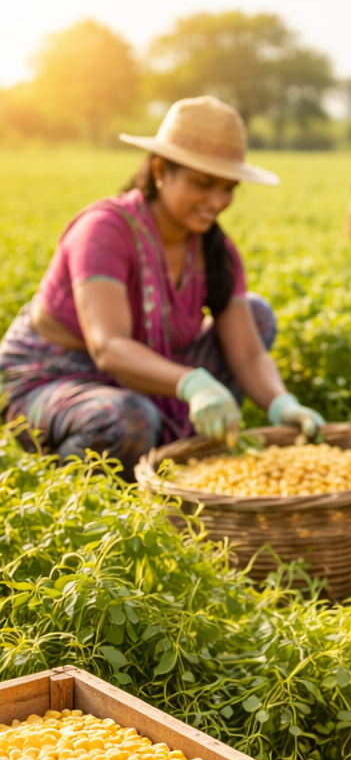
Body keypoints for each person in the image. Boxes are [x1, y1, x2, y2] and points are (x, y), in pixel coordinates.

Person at [0, 95, 323, 478]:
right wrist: (190, 382)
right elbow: (109, 347)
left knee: (256, 315)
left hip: (147, 373)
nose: (216, 201)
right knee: (127, 419)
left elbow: (248, 354)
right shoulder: (104, 231)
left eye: (227, 188)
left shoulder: (215, 250)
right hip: (54, 379)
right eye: (202, 183)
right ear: (160, 170)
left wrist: (281, 403)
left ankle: (177, 457)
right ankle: (68, 483)